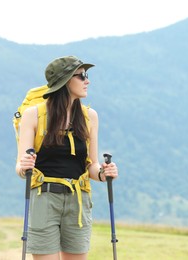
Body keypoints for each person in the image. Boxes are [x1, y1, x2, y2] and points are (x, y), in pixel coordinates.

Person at [15, 55, 118, 260]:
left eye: (86, 75)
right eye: (81, 76)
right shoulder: (33, 115)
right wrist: (23, 166)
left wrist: (104, 173)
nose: (87, 81)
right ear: (65, 81)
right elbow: (20, 167)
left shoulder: (90, 116)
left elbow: (92, 165)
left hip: (78, 201)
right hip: (44, 199)